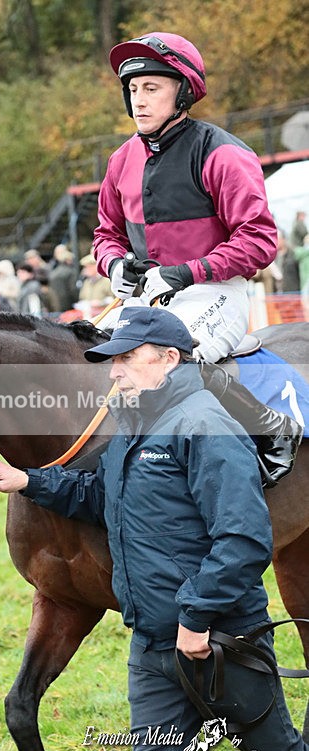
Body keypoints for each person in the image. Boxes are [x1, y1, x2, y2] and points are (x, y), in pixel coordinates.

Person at [0, 306, 309, 751]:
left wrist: (195, 621)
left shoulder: (205, 426)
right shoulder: (131, 426)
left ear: (170, 358)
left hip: (219, 642)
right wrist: (26, 480)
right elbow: (100, 499)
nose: (114, 371)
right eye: (112, 359)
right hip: (153, 647)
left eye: (128, 358)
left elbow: (244, 539)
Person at [92, 30, 302, 485]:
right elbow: (105, 235)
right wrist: (115, 264)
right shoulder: (120, 161)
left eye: (152, 88)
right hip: (147, 297)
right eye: (133, 90)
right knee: (86, 361)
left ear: (183, 91)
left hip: (215, 291)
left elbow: (260, 240)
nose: (139, 101)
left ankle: (273, 430)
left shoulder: (223, 152)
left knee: (174, 363)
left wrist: (188, 271)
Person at [48, 244, 79, 312]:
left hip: (56, 305)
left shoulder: (53, 272)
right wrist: (78, 301)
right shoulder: (71, 271)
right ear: (67, 260)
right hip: (69, 306)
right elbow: (73, 289)